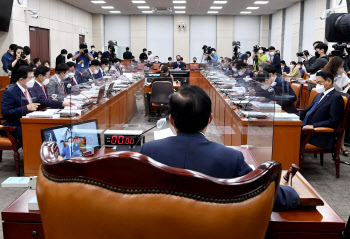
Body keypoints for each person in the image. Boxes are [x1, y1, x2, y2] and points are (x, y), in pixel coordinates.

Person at [140, 85, 300, 212]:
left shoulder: (148, 151)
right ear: (210, 120)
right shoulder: (230, 158)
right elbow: (266, 194)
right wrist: (292, 192)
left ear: (171, 121)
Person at [300, 70, 344, 149]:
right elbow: (307, 110)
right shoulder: (319, 95)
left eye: (320, 83)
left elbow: (333, 121)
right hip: (305, 128)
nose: (318, 85)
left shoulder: (336, 98)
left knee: (286, 136)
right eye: (317, 83)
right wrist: (291, 117)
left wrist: (313, 126)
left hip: (317, 134)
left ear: (329, 81)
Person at [1, 66, 40, 139]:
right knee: (37, 133)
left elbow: (38, 101)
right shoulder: (9, 93)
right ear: (21, 79)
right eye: (30, 78)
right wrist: (26, 108)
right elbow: (5, 113)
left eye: (33, 77)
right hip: (16, 126)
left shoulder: (30, 89)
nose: (33, 80)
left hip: (31, 122)